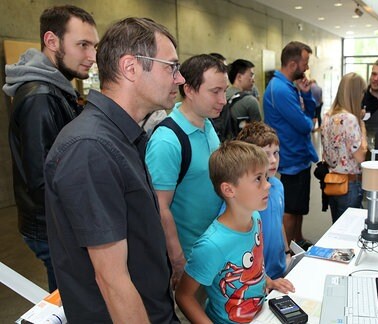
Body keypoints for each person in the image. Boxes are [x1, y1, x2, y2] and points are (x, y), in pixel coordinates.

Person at [44, 17, 183, 323]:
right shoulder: (90, 148)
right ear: (131, 67)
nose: (180, 79)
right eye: (171, 66)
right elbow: (112, 281)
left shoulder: (120, 136)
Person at [2, 5, 98, 293]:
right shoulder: (41, 96)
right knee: (73, 303)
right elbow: (43, 179)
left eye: (93, 46)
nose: (92, 56)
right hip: (53, 228)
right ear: (52, 41)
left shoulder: (56, 89)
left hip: (56, 223)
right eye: (82, 45)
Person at [175, 141, 295, 323]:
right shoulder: (211, 245)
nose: (268, 185)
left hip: (260, 314)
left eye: (265, 177)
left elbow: (256, 264)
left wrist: (268, 281)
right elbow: (184, 296)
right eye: (258, 179)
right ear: (229, 190)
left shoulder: (255, 218)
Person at [145, 54, 227, 287]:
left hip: (213, 249)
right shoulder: (167, 141)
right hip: (190, 258)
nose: (223, 100)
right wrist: (178, 260)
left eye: (225, 90)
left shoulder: (207, 123)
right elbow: (159, 207)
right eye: (215, 91)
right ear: (189, 89)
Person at [263, 41, 318, 249]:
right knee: (290, 209)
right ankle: (287, 249)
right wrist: (308, 121)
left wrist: (305, 94)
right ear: (293, 64)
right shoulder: (280, 90)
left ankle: (298, 240)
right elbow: (305, 125)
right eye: (305, 62)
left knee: (298, 208)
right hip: (291, 159)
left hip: (300, 157)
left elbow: (310, 116)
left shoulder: (289, 87)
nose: (306, 68)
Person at [236, 122, 289, 279]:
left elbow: (279, 222)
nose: (273, 160)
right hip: (257, 277)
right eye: (266, 154)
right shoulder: (244, 196)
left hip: (280, 268)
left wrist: (287, 253)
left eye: (276, 153)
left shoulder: (278, 186)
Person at [321, 73, 368, 223]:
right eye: (362, 92)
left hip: (333, 182)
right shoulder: (350, 119)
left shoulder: (328, 116)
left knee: (337, 226)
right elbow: (360, 156)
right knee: (350, 229)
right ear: (355, 93)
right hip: (350, 185)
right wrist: (362, 125)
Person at [226, 59, 262, 128]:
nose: (253, 80)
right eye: (251, 76)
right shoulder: (250, 101)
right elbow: (259, 132)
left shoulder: (223, 96)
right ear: (239, 77)